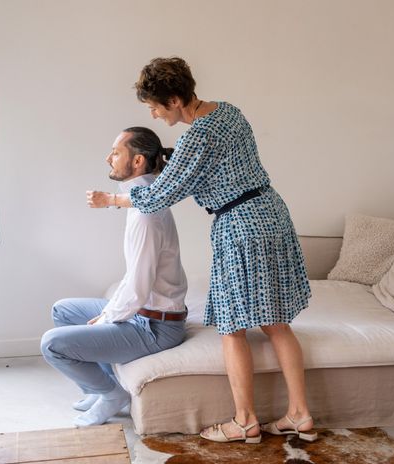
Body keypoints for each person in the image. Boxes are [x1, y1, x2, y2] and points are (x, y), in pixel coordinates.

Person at [87, 57, 316, 443]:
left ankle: (244, 421)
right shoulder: (228, 112)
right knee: (277, 323)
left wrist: (112, 198)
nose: (155, 115)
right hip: (271, 213)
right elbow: (212, 162)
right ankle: (300, 414)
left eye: (156, 107)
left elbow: (160, 194)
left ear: (175, 99)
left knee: (232, 328)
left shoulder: (198, 137)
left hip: (240, 227)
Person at [42, 126, 188, 427]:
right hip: (143, 315)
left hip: (155, 326)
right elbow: (136, 276)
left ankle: (111, 394)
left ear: (137, 162)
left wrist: (108, 317)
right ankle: (102, 388)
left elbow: (138, 287)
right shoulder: (139, 202)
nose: (109, 158)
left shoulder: (146, 215)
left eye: (117, 152)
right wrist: (109, 313)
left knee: (52, 344)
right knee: (64, 310)